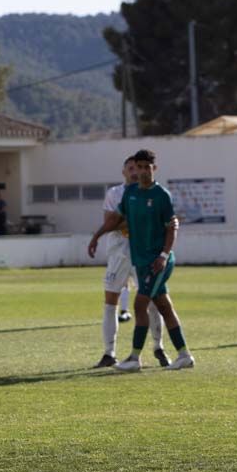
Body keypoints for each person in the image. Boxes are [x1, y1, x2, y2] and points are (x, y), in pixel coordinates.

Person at [91, 149, 194, 372]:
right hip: (141, 260)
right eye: (139, 167)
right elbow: (116, 219)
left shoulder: (162, 195)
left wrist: (164, 256)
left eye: (148, 167)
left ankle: (135, 358)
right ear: (134, 169)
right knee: (164, 307)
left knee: (140, 305)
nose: (143, 171)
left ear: (153, 169)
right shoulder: (130, 195)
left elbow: (171, 228)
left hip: (157, 262)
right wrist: (96, 236)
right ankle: (184, 354)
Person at [87, 157, 166, 369]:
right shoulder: (115, 194)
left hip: (144, 254)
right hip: (119, 253)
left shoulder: (152, 194)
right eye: (130, 168)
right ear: (123, 172)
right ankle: (109, 353)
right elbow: (110, 222)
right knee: (110, 301)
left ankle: (159, 347)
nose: (134, 172)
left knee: (153, 300)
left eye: (138, 168)